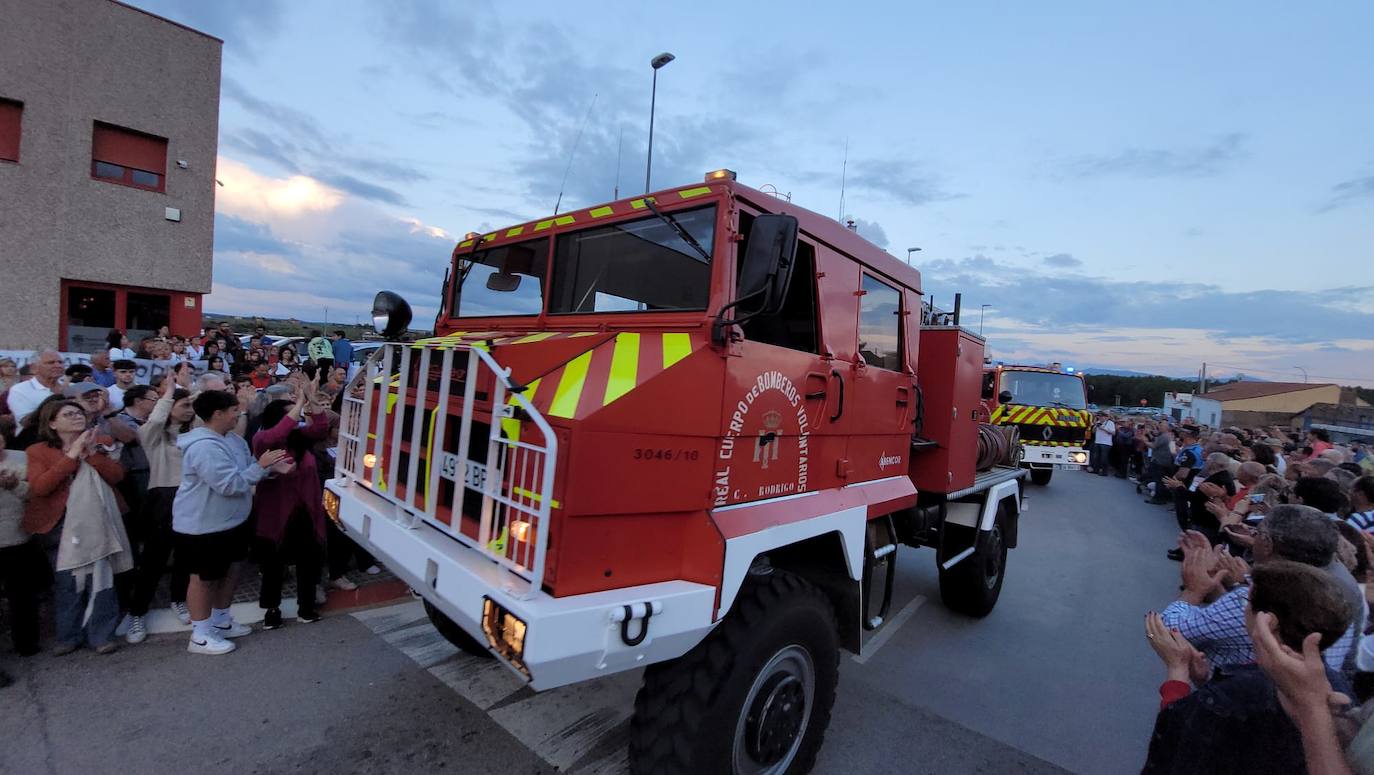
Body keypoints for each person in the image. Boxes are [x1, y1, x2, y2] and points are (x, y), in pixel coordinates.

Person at [1142, 560, 1355, 775]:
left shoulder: (1230, 698)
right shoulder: (1340, 691)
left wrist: (1178, 671)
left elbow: (1173, 749)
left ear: (1268, 622)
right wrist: (1204, 681)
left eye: (1247, 598)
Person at [1161, 505, 1363, 682]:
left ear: (1267, 544)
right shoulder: (1339, 587)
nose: (1252, 537)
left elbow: (1166, 631)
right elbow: (1232, 623)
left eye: (1256, 533)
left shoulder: (1266, 593)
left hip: (1233, 702)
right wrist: (1217, 583)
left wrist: (1194, 589)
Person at [174, 390, 293, 655]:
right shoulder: (204, 446)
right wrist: (262, 466)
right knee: (203, 579)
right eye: (233, 411)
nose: (238, 415)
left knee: (230, 572)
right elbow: (229, 484)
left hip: (233, 522)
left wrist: (272, 469)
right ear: (217, 414)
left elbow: (249, 468)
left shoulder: (233, 440)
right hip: (202, 525)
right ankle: (201, 634)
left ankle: (221, 620)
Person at [24, 400, 131, 655]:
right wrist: (72, 456)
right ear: (52, 423)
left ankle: (101, 635)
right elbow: (41, 487)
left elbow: (117, 477)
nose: (76, 417)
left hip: (99, 519)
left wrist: (91, 454)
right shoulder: (38, 451)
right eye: (68, 414)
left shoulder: (102, 442)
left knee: (101, 578)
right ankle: (68, 636)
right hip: (60, 524)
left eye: (79, 413)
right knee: (67, 582)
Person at [252, 384, 330, 628]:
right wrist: (297, 405)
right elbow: (277, 433)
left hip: (305, 512)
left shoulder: (300, 437)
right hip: (276, 516)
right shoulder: (263, 440)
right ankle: (271, 611)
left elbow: (321, 426)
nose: (297, 418)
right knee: (273, 567)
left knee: (308, 562)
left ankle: (306, 608)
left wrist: (310, 399)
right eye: (292, 415)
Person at [125, 376, 196, 643]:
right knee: (153, 561)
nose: (189, 409)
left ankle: (179, 600)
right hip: (163, 500)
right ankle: (137, 613)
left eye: (191, 405)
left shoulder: (196, 432)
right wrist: (168, 393)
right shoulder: (153, 436)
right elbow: (155, 421)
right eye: (184, 405)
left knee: (185, 558)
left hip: (192, 499)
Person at [0, 432, 39, 656]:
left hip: (17, 536)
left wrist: (15, 485)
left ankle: (26, 643)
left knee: (22, 594)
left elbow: (36, 493)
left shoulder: (20, 458)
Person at [6, 349, 65, 424]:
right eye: (51, 363)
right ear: (34, 368)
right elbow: (25, 422)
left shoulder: (72, 387)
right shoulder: (20, 390)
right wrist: (58, 397)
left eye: (60, 362)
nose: (58, 365)